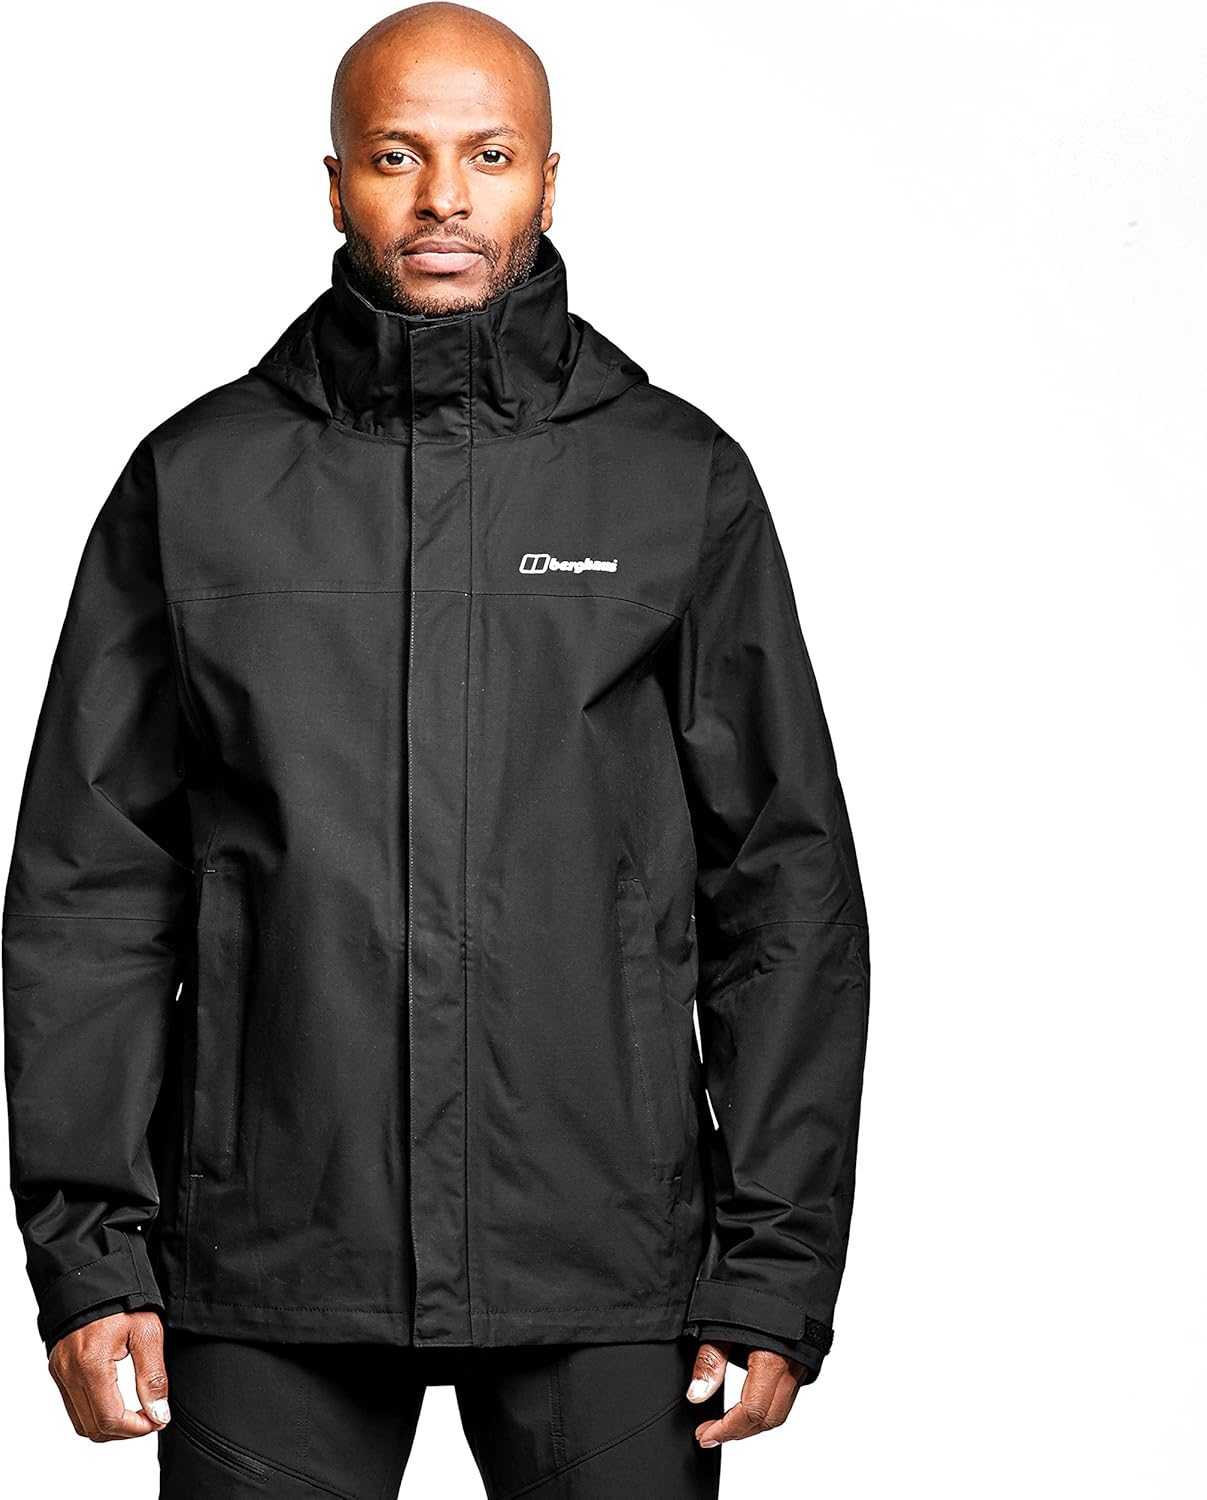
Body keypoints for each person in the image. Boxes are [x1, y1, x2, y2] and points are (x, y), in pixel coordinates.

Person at [0, 4, 871, 1494]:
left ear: (550, 180)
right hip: (273, 1254)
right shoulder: (197, 485)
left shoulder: (675, 482)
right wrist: (89, 1256)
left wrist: (775, 1264)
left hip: (607, 1257)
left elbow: (784, 890)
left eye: (491, 155)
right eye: (398, 155)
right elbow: (92, 888)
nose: (445, 198)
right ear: (335, 181)